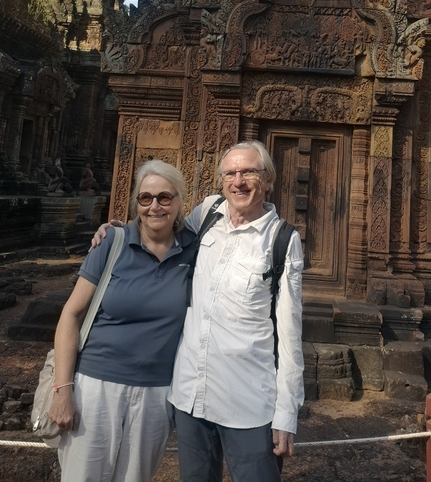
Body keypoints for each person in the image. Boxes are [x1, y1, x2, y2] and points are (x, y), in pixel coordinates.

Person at [94, 140, 305, 482]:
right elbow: (159, 228)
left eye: (249, 172)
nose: (239, 181)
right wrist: (118, 230)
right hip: (190, 396)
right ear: (221, 180)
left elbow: (291, 334)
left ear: (268, 180)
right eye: (231, 173)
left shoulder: (281, 240)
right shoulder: (207, 214)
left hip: (248, 403)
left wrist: (286, 413)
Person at [50, 159, 194, 482]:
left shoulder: (193, 250)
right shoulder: (112, 244)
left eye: (164, 198)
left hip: (157, 394)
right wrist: (63, 389)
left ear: (180, 202)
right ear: (136, 203)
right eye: (146, 198)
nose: (154, 206)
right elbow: (70, 315)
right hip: (96, 387)